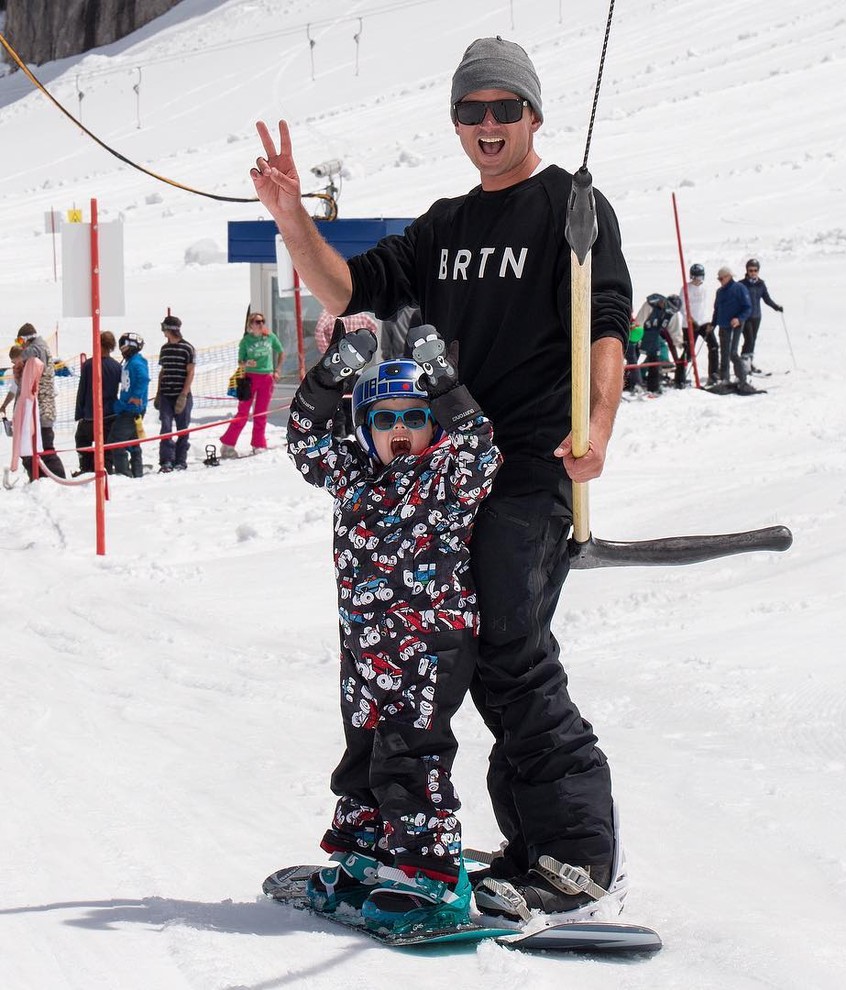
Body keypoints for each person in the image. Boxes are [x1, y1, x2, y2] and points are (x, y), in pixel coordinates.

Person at [252, 35, 632, 921]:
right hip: (442, 479)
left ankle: (580, 858)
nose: (489, 124)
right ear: (456, 122)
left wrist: (599, 429)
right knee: (446, 660)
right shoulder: (445, 225)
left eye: (506, 108)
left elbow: (604, 324)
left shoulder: (570, 206)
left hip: (534, 467)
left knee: (509, 645)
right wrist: (291, 217)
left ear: (535, 114)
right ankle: (515, 843)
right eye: (472, 110)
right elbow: (347, 289)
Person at [286, 322, 501, 933]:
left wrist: (444, 383)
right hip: (364, 648)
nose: (401, 430)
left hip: (431, 646)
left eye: (414, 416)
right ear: (365, 429)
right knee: (363, 752)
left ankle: (428, 875)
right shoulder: (352, 476)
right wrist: (332, 375)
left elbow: (481, 442)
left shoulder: (450, 478)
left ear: (433, 423)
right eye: (385, 420)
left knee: (411, 754)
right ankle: (367, 857)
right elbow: (303, 436)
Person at [219, 311, 284, 457]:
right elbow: (240, 361)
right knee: (243, 412)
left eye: (262, 321)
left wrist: (277, 370)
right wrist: (248, 362)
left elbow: (281, 351)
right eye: (257, 322)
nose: (260, 324)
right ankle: (227, 444)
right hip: (250, 378)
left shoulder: (269, 337)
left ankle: (258, 443)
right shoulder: (246, 341)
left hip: (267, 378)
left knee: (261, 413)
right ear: (250, 325)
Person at [15, 323, 66, 478]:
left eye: (20, 342)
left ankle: (59, 480)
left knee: (46, 449)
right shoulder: (37, 352)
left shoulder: (39, 348)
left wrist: (18, 356)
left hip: (43, 409)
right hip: (36, 411)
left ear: (26, 339)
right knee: (32, 451)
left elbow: (33, 352)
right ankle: (40, 479)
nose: (21, 347)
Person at [73, 330, 121, 475]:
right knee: (106, 446)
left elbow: (82, 390)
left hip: (90, 415)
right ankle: (105, 469)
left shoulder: (89, 365)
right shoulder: (116, 366)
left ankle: (86, 468)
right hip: (110, 414)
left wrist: (79, 413)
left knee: (82, 440)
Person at [154, 315, 196, 472]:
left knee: (182, 428)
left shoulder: (187, 348)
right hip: (166, 394)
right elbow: (163, 372)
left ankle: (180, 459)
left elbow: (190, 372)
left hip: (181, 395)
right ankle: (166, 460)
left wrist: (184, 395)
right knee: (165, 428)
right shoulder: (164, 349)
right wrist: (159, 393)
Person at [107, 333, 149, 477]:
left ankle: (124, 473)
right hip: (126, 407)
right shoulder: (131, 362)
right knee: (132, 441)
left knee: (116, 440)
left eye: (124, 346)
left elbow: (144, 379)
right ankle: (137, 472)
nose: (122, 350)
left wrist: (137, 396)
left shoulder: (137, 362)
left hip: (131, 409)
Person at [711, 267, 754, 394]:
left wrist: (739, 319)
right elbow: (717, 310)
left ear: (729, 276)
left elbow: (747, 308)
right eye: (718, 279)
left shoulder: (739, 288)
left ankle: (742, 379)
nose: (720, 281)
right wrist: (713, 324)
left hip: (736, 325)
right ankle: (725, 379)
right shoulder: (719, 292)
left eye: (721, 278)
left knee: (732, 352)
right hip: (723, 325)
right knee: (724, 353)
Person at [740, 258, 783, 375]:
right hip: (745, 317)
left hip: (757, 316)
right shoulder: (741, 284)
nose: (753, 273)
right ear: (747, 271)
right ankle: (744, 364)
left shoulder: (761, 284)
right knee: (748, 339)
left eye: (755, 270)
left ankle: (750, 362)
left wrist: (776, 307)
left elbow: (766, 299)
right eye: (750, 270)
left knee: (753, 340)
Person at [685, 263, 720, 386]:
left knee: (714, 346)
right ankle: (685, 375)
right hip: (690, 323)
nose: (698, 280)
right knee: (688, 350)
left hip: (704, 322)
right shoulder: (686, 288)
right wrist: (689, 318)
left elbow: (708, 306)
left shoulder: (705, 289)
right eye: (696, 278)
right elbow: (683, 306)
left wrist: (710, 322)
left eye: (700, 278)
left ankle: (714, 373)